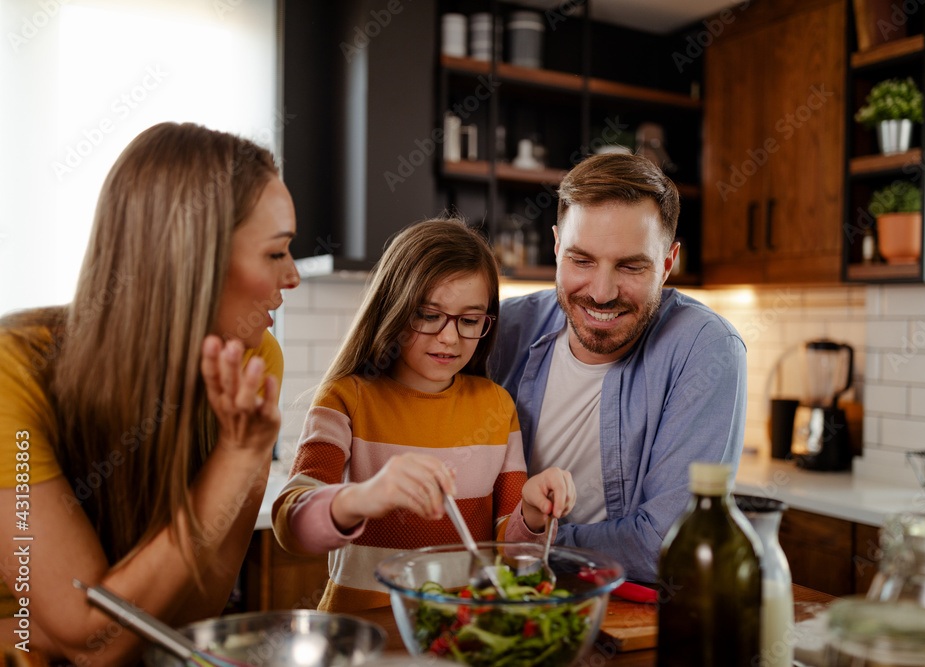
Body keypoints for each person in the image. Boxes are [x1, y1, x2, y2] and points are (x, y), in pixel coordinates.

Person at [0, 122, 300, 664]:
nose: (294, 275)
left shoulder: (255, 358)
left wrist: (247, 456)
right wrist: (237, 458)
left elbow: (193, 615)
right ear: (194, 258)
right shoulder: (13, 371)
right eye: (276, 253)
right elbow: (92, 636)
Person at [271, 218, 576, 612]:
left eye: (469, 320)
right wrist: (363, 498)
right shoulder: (348, 398)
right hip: (365, 634)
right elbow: (290, 527)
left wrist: (532, 515)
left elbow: (513, 556)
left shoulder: (497, 407)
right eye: (428, 315)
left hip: (463, 633)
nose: (449, 337)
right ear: (393, 308)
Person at [490, 153, 747, 584]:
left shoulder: (707, 348)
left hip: (625, 616)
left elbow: (665, 546)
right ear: (556, 248)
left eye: (630, 266)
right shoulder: (502, 329)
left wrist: (523, 543)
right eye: (581, 260)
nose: (602, 293)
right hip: (499, 601)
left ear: (667, 264)